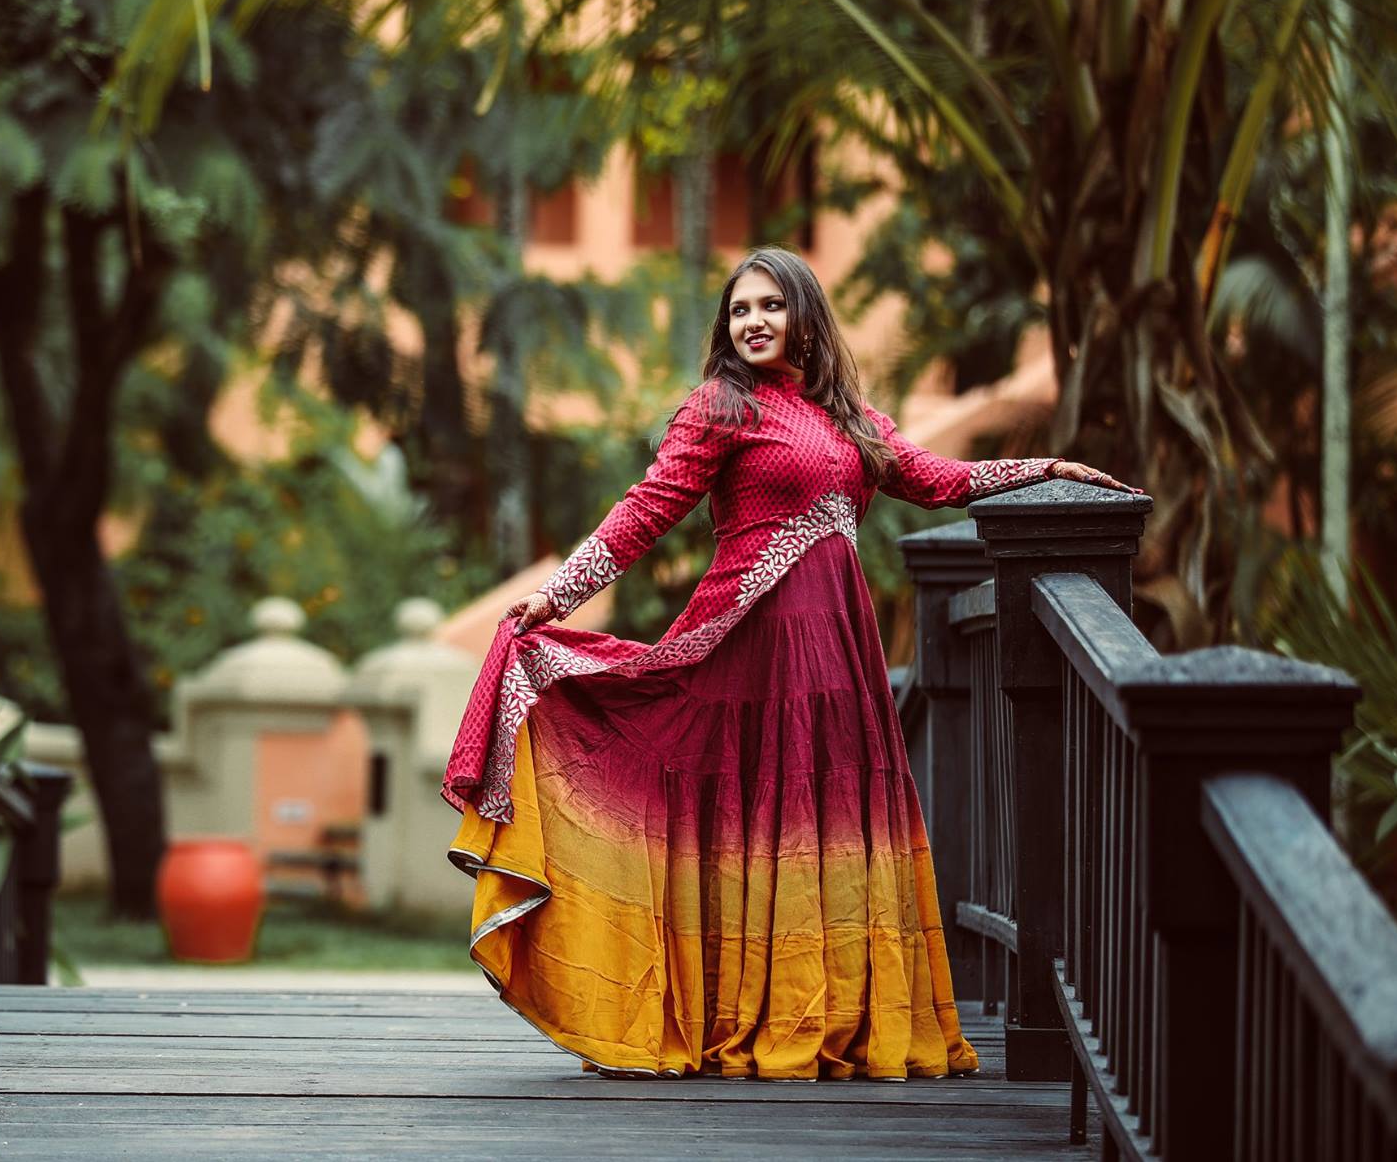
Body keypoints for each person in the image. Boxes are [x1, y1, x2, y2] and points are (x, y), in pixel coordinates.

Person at [442, 245, 1134, 1083]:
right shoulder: (720, 407)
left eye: (770, 305)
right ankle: (729, 1014)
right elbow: (646, 509)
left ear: (805, 314)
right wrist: (560, 593)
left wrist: (1043, 470)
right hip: (749, 644)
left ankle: (835, 1013)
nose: (754, 321)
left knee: (825, 821)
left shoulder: (849, 419)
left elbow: (934, 477)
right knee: (753, 815)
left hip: (839, 656)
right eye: (740, 309)